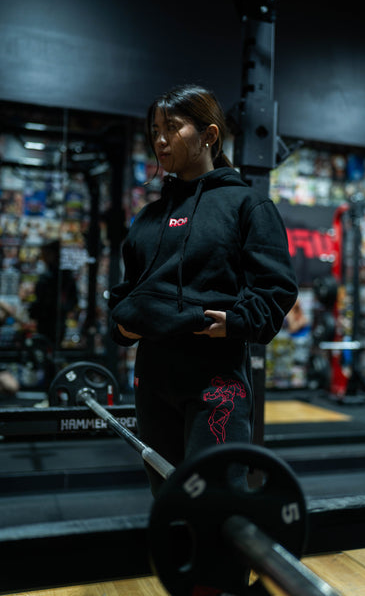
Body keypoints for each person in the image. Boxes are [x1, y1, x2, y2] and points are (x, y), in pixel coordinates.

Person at [109, 84, 298, 495]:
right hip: (153, 377)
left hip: (214, 379)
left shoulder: (248, 205)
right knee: (169, 498)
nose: (160, 140)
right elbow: (125, 291)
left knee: (216, 500)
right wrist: (121, 327)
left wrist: (236, 321)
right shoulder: (149, 218)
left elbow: (276, 288)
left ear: (209, 135)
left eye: (172, 128)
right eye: (155, 130)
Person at [29, 240, 78, 346]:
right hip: (54, 319)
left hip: (50, 321)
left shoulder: (52, 277)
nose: (43, 258)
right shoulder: (64, 275)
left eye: (45, 254)